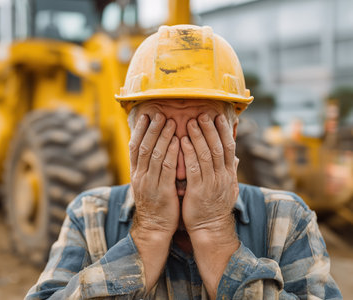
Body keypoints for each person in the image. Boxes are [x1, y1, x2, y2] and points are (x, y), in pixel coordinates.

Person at [25, 25, 342, 300]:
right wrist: (149, 233)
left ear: (232, 135)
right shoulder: (91, 216)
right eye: (159, 137)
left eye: (200, 138)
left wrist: (215, 235)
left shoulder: (285, 220)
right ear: (134, 136)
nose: (180, 170)